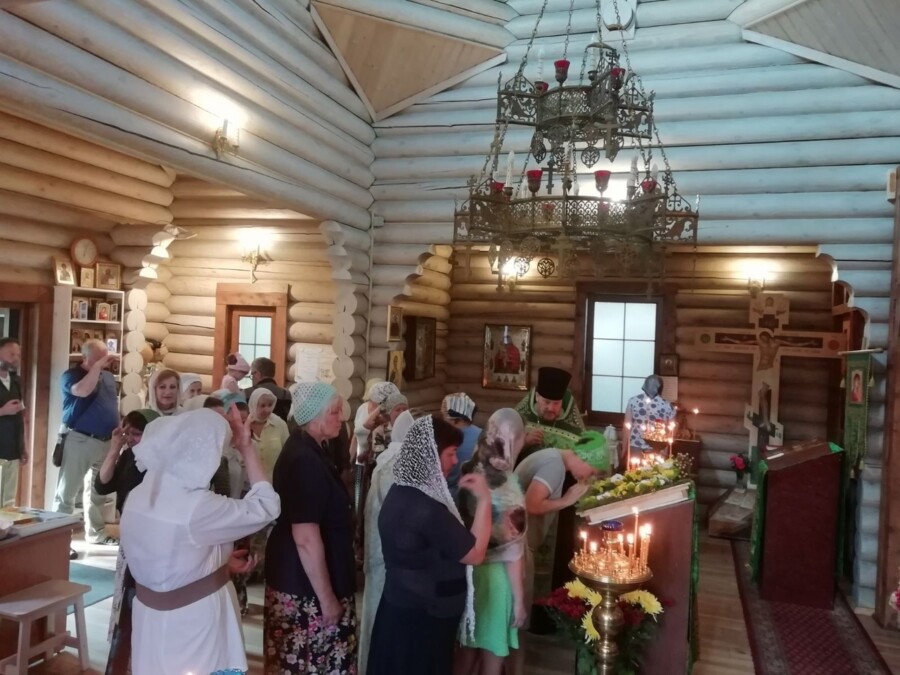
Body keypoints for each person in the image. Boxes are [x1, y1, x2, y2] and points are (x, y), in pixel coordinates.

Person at [120, 408, 280, 675]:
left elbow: (169, 552)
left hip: (149, 616)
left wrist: (217, 561)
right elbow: (267, 506)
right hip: (194, 620)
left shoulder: (138, 494)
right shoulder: (197, 506)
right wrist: (247, 448)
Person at [366, 416, 492, 675]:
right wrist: (485, 500)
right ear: (430, 456)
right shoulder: (426, 509)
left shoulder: (400, 491)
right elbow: (475, 553)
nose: (455, 461)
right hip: (423, 619)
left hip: (399, 608)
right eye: (450, 453)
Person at [264, 382, 358, 674]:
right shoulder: (305, 460)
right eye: (334, 412)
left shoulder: (312, 449)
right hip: (306, 589)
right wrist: (327, 599)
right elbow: (305, 537)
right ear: (314, 417)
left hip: (306, 579)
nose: (341, 418)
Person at [511, 446, 601, 669]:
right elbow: (531, 504)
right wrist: (566, 501)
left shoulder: (553, 457)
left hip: (516, 544)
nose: (588, 477)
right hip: (517, 547)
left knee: (514, 621)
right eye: (591, 471)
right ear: (584, 457)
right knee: (516, 622)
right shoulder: (554, 466)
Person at [455, 409, 528, 675]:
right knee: (492, 656)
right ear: (515, 440)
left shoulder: (468, 470)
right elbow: (513, 552)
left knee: (465, 652)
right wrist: (519, 600)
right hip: (497, 581)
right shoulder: (509, 486)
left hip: (467, 573)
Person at [93, 409, 161, 675]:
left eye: (137, 433)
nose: (131, 438)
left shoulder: (161, 462)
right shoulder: (129, 455)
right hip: (129, 538)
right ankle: (123, 662)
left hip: (152, 541)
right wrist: (114, 448)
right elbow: (102, 485)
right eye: (128, 432)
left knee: (140, 602)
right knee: (125, 602)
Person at [358, 409, 415, 674]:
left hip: (383, 554)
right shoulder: (396, 467)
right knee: (380, 618)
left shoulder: (390, 460)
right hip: (387, 557)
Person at [53, 339, 120, 546]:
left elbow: (112, 403)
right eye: (98, 358)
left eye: (104, 357)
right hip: (80, 439)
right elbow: (83, 391)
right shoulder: (71, 375)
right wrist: (97, 368)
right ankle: (58, 541)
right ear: (85, 357)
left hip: (105, 440)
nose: (104, 362)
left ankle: (96, 532)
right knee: (67, 493)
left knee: (97, 492)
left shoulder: (108, 377)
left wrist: (118, 428)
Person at [515, 367, 586, 459]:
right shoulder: (519, 419)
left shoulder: (573, 427)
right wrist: (525, 443)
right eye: (547, 402)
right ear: (537, 397)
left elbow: (584, 458)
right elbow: (504, 454)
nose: (551, 408)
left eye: (556, 403)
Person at [623, 374, 676, 459]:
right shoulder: (668, 406)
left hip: (635, 444)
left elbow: (626, 428)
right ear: (660, 387)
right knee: (656, 468)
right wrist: (666, 450)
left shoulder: (633, 401)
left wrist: (623, 450)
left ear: (645, 385)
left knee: (633, 467)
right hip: (659, 448)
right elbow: (671, 431)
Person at [0, 338, 26, 508]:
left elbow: (20, 416)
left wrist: (23, 446)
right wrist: (3, 411)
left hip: (13, 450)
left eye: (17, 355)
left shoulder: (16, 380)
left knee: (9, 502)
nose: (15, 358)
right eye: (11, 354)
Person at [442, 392, 482, 497]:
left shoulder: (447, 439)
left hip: (451, 498)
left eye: (444, 416)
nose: (443, 421)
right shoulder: (483, 435)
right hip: (476, 497)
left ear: (454, 419)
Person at [249, 388, 290, 482]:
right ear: (253, 405)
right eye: (262, 405)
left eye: (270, 405)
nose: (267, 410)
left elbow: (288, 453)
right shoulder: (245, 424)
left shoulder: (280, 424)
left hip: (275, 482)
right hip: (249, 483)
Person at [244, 356, 292, 421]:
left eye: (252, 375)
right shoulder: (286, 394)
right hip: (280, 427)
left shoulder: (246, 393)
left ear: (258, 374)